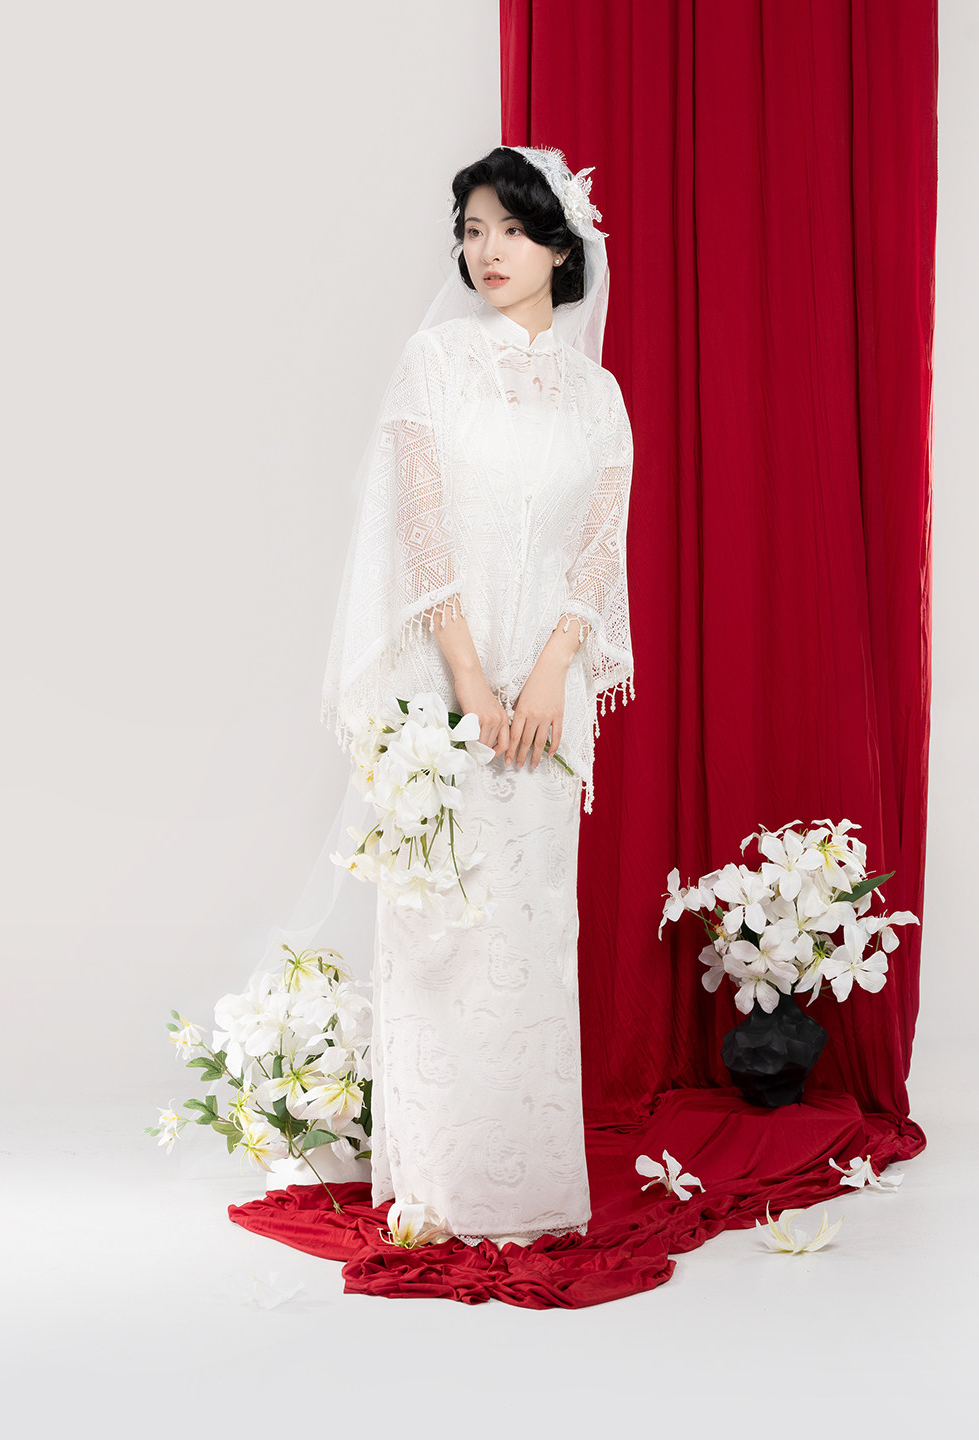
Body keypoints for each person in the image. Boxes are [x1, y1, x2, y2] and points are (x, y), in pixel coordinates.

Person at [320, 145, 635, 1247]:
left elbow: (598, 549)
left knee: (531, 929)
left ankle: (526, 1190)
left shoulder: (598, 397)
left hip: (546, 699)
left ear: (561, 246)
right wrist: (465, 682)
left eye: (510, 228)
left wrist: (549, 670)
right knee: (441, 928)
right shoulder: (437, 363)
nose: (486, 250)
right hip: (441, 690)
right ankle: (440, 1183)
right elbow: (418, 524)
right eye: (471, 229)